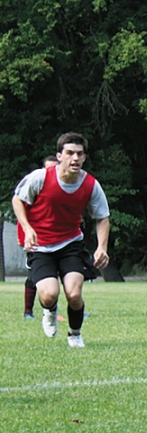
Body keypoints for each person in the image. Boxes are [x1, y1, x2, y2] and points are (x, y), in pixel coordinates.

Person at [12, 133, 110, 347]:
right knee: (49, 294)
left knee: (74, 294)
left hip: (70, 244)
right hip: (41, 246)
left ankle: (74, 334)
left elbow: (102, 217)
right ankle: (49, 309)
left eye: (79, 154)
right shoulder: (40, 178)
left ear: (84, 158)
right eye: (70, 153)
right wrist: (27, 229)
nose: (75, 158)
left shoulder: (91, 185)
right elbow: (17, 200)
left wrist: (102, 247)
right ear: (60, 156)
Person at [16, 155, 59, 319]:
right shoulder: (34, 188)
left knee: (68, 273)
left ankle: (74, 309)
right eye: (48, 168)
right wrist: (24, 236)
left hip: (58, 240)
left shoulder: (63, 189)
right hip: (37, 240)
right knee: (34, 276)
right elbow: (22, 213)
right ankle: (28, 311)